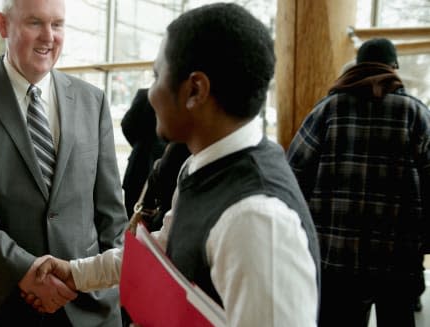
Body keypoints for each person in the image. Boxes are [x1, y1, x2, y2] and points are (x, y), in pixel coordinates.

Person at [31, 4, 321, 326]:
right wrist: (75, 272)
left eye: (157, 76)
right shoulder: (200, 166)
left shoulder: (256, 221)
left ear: (195, 90)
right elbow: (161, 250)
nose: (151, 93)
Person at [0, 0, 127, 325]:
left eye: (58, 24)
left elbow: (110, 210)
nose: (48, 37)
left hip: (87, 304)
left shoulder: (93, 100)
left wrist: (107, 284)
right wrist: (24, 271)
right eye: (35, 23)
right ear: (3, 25)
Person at [287, 38, 430, 326]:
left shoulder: (327, 110)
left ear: (357, 66)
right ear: (393, 68)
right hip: (398, 257)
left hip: (337, 258)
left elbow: (293, 172)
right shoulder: (414, 113)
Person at [121, 88, 166, 218]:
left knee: (135, 215)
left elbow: (127, 125)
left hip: (140, 164)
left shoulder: (144, 94)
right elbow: (127, 125)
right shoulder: (146, 94)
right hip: (142, 165)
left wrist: (139, 145)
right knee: (135, 214)